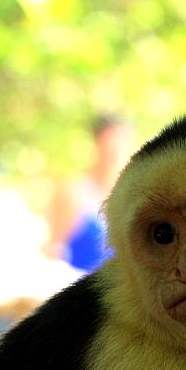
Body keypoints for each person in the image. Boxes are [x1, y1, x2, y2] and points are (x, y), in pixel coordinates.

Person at [47, 114, 135, 272]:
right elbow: (53, 252)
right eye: (110, 145)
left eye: (122, 145)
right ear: (98, 144)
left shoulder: (131, 201)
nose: (115, 152)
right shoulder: (73, 193)